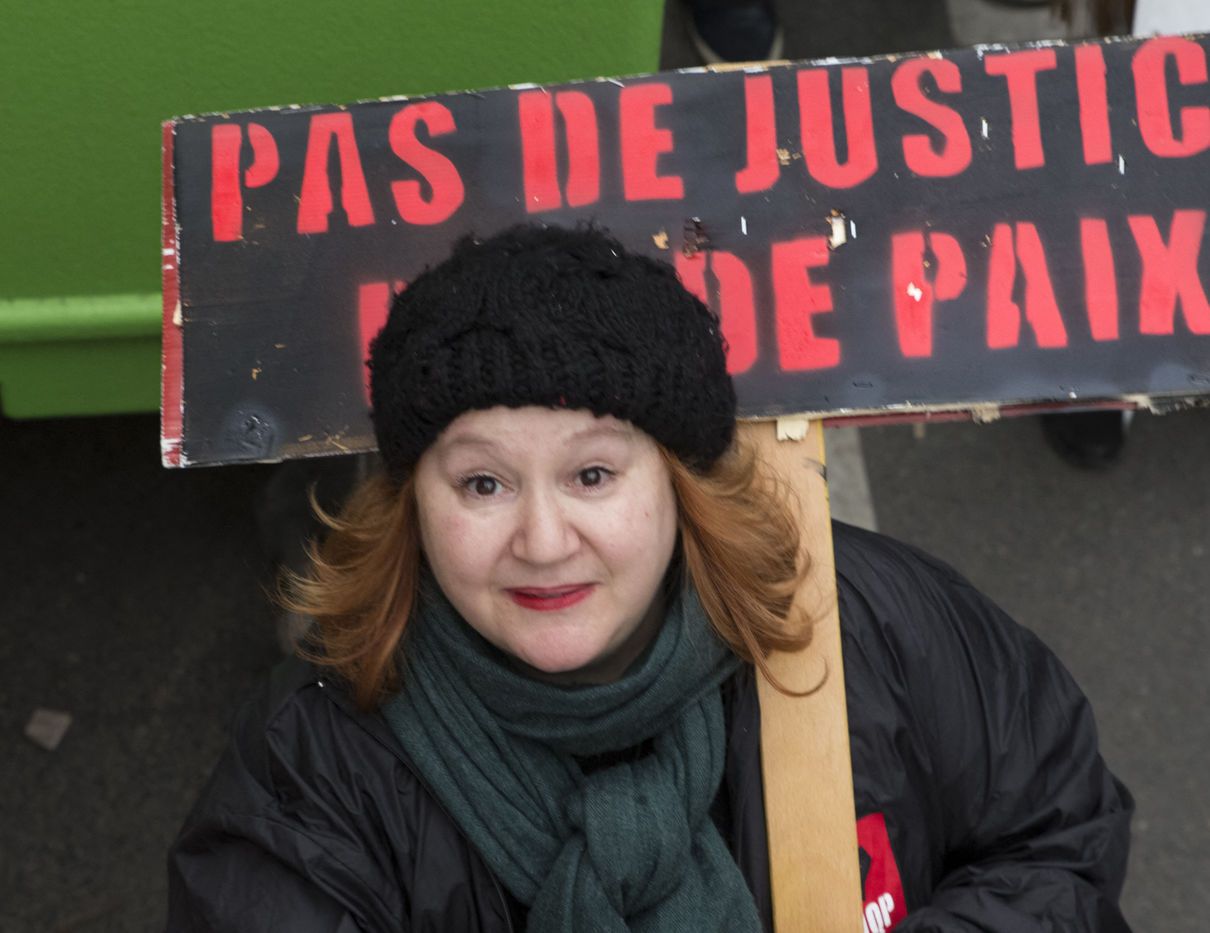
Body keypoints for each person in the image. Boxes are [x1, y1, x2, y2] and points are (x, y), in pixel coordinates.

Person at [166, 224, 1134, 931]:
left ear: (680, 483)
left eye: (591, 474)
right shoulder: (306, 776)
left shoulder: (866, 625)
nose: (543, 540)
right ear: (411, 504)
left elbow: (1057, 832)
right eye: (482, 483)